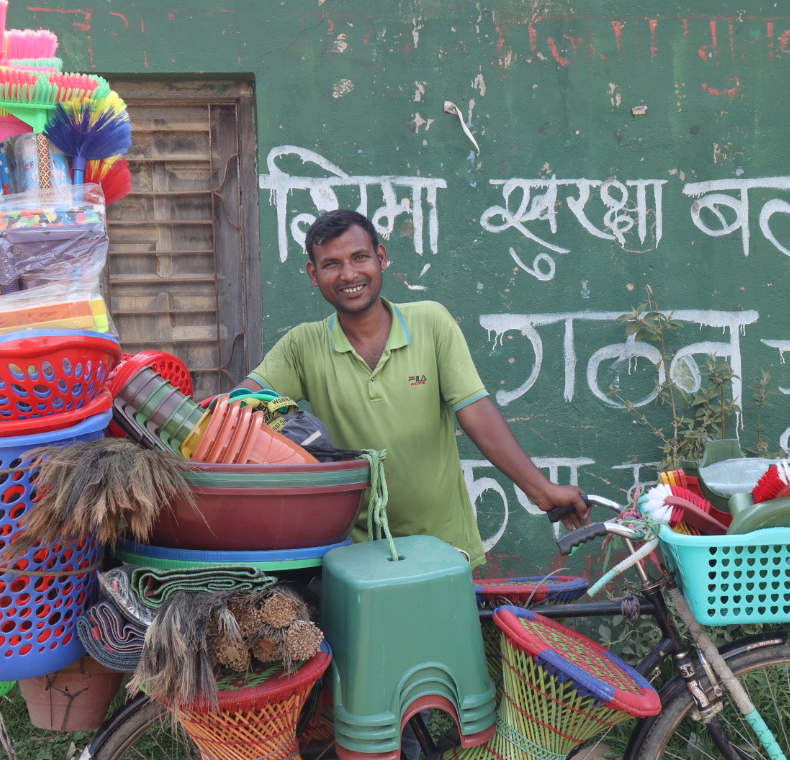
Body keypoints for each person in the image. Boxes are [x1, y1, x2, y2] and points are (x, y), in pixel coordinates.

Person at [241, 209, 589, 565]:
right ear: (314, 274)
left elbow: (476, 413)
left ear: (382, 258)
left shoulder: (431, 322)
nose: (349, 274)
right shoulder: (303, 345)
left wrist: (541, 491)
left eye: (360, 257)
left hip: (443, 547)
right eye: (332, 264)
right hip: (354, 555)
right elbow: (240, 405)